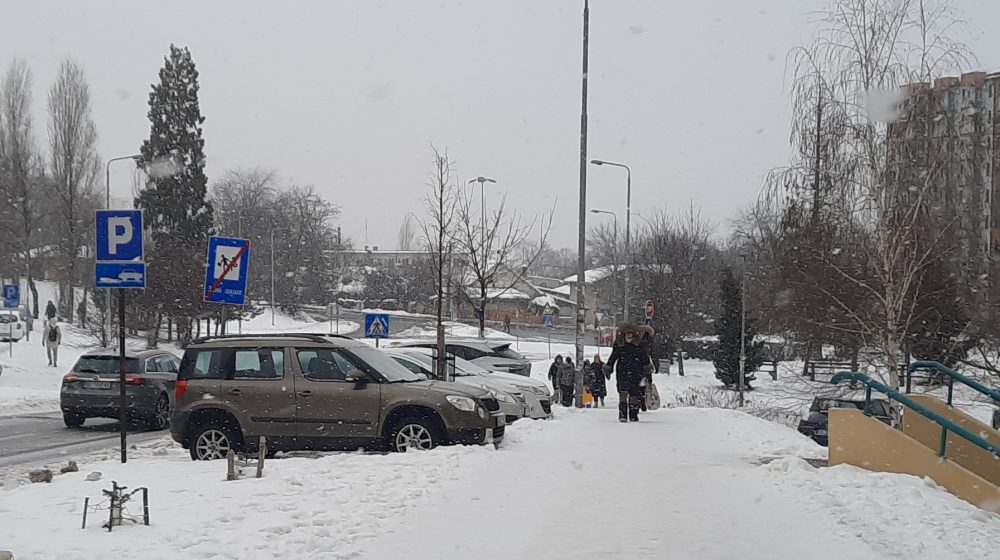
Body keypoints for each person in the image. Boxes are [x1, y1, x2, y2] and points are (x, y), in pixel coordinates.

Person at [605, 323, 653, 422]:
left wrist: (647, 372)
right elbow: (613, 357)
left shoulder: (639, 345)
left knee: (634, 394)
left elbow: (645, 358)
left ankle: (633, 414)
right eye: (627, 333)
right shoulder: (619, 344)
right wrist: (609, 367)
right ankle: (622, 414)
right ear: (624, 333)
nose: (629, 335)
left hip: (636, 372)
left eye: (631, 333)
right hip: (622, 372)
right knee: (622, 393)